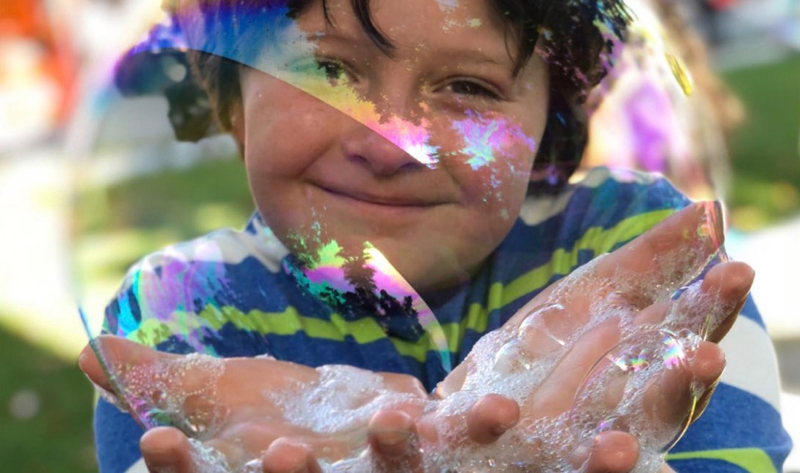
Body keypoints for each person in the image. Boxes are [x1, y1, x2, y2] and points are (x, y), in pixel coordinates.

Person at [78, 0, 792, 471]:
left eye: (469, 88)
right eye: (328, 70)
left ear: (550, 128)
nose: (390, 143)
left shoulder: (641, 254)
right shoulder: (180, 323)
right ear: (233, 104)